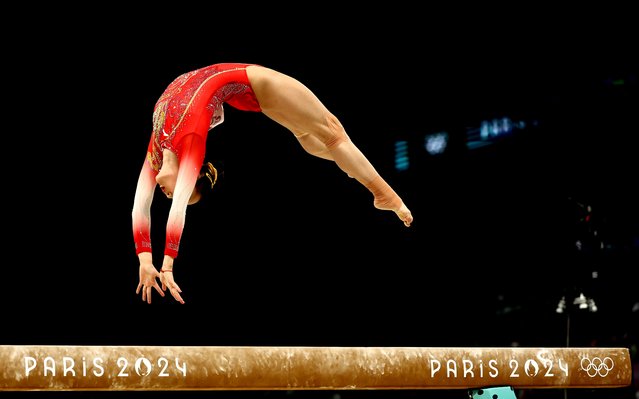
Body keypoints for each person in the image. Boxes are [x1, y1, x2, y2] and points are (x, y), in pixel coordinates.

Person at [132, 63, 413, 304]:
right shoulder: (160, 148)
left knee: (332, 134)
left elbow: (176, 209)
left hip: (258, 81)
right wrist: (145, 260)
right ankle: (354, 169)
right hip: (248, 92)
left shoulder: (187, 141)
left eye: (179, 191)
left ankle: (384, 194)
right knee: (309, 140)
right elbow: (140, 208)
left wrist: (166, 265)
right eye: (175, 194)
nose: (167, 195)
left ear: (188, 176)